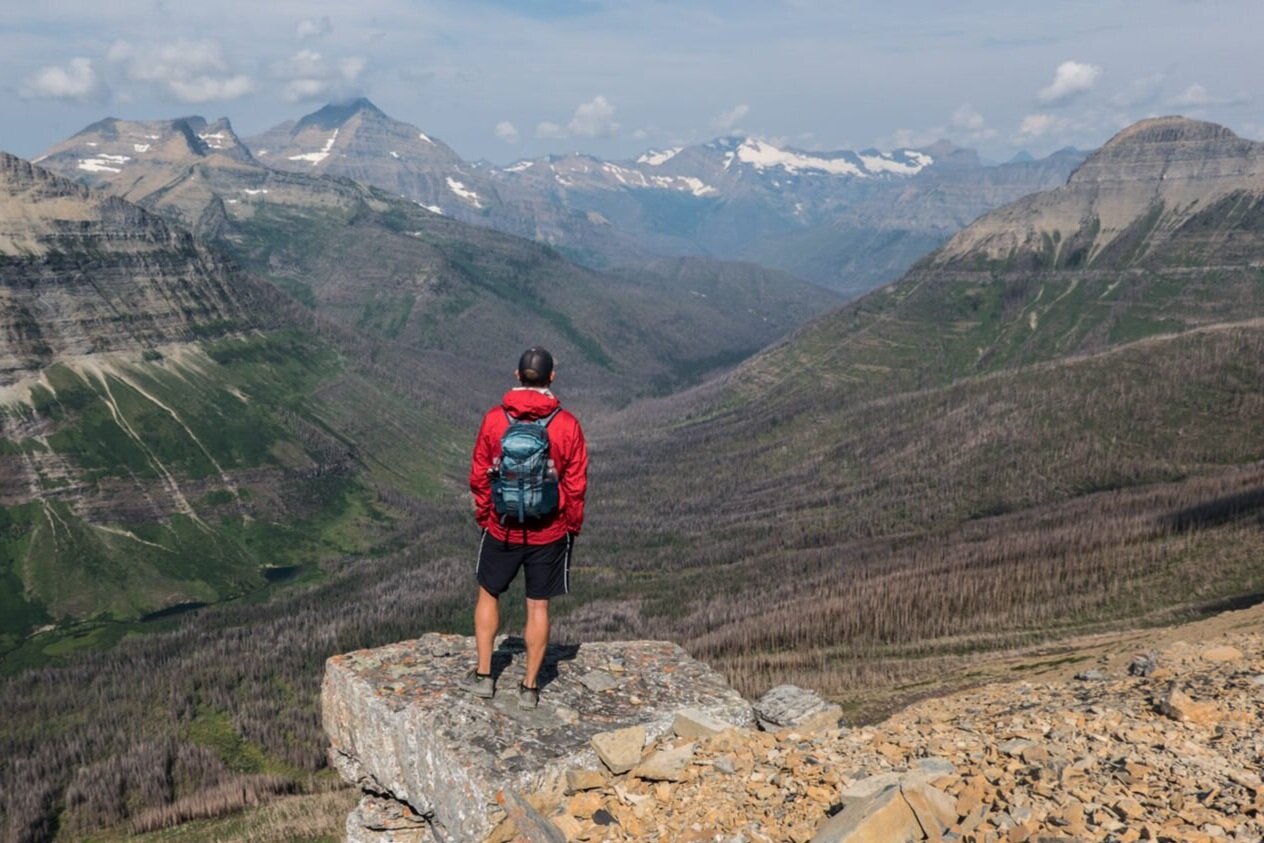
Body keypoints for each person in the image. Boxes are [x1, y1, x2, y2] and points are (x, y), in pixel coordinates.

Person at [461, 347, 588, 708]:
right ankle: (530, 688)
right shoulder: (567, 425)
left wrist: (487, 517)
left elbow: (479, 476)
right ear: (552, 378)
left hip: (501, 528)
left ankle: (485, 675)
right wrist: (570, 527)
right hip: (548, 531)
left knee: (488, 593)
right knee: (538, 607)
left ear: (517, 376)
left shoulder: (494, 420)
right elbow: (576, 484)